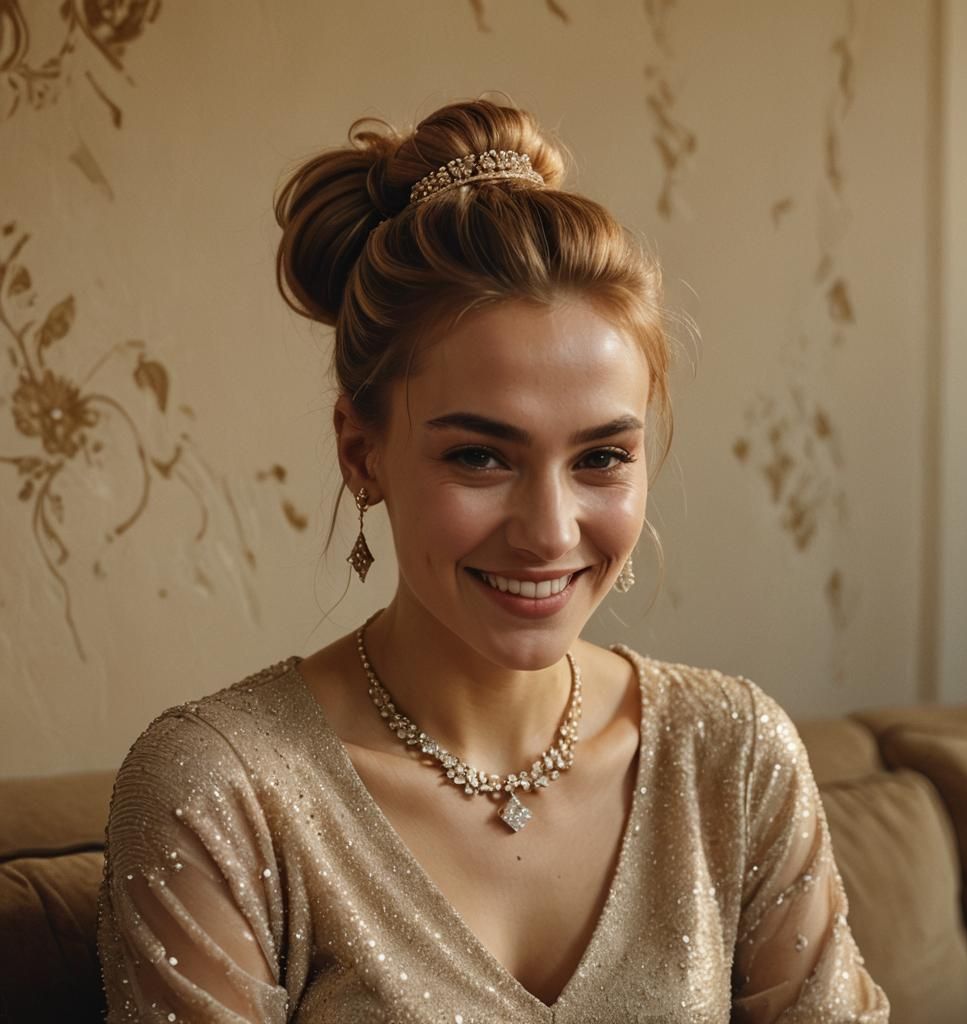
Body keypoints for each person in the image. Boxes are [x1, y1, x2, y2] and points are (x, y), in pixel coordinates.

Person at [96, 98, 889, 1023]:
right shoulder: (220, 791)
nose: (549, 532)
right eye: (480, 455)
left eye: (601, 457)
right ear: (363, 453)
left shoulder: (735, 754)